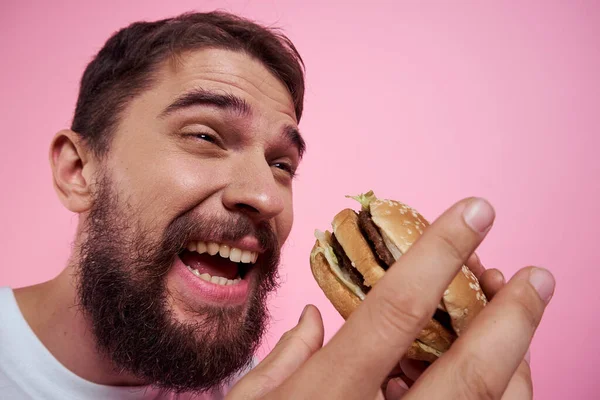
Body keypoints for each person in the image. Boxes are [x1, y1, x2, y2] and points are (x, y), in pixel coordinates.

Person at [0, 10, 554, 400]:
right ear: (78, 171)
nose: (267, 197)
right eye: (206, 137)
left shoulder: (276, 387)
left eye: (282, 165)